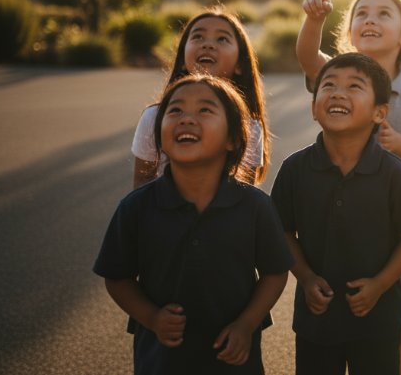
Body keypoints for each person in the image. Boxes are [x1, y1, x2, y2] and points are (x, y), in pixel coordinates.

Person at [296, 0, 401, 375]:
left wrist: (399, 144)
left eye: (384, 13)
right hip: (339, 226)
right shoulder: (336, 74)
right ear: (348, 32)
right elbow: (307, 55)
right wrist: (314, 19)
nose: (370, 19)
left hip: (400, 233)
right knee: (339, 331)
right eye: (361, 12)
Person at [95, 73, 292, 374]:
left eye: (205, 110)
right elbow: (117, 277)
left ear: (233, 139)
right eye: (175, 110)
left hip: (234, 359)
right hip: (162, 360)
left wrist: (246, 325)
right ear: (159, 134)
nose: (186, 118)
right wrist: (152, 318)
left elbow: (275, 273)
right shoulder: (137, 207)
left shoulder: (255, 206)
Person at [271, 52, 401, 374]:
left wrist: (380, 284)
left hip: (377, 318)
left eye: (354, 86)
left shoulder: (393, 172)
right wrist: (306, 276)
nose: (338, 93)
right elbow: (282, 233)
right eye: (327, 86)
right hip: (316, 319)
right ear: (315, 108)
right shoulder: (295, 169)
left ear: (379, 113)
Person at [132, 7, 270, 188]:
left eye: (222, 39)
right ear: (181, 59)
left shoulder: (249, 126)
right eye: (198, 37)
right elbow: (141, 186)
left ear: (240, 65)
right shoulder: (154, 117)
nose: (208, 44)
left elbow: (248, 199)